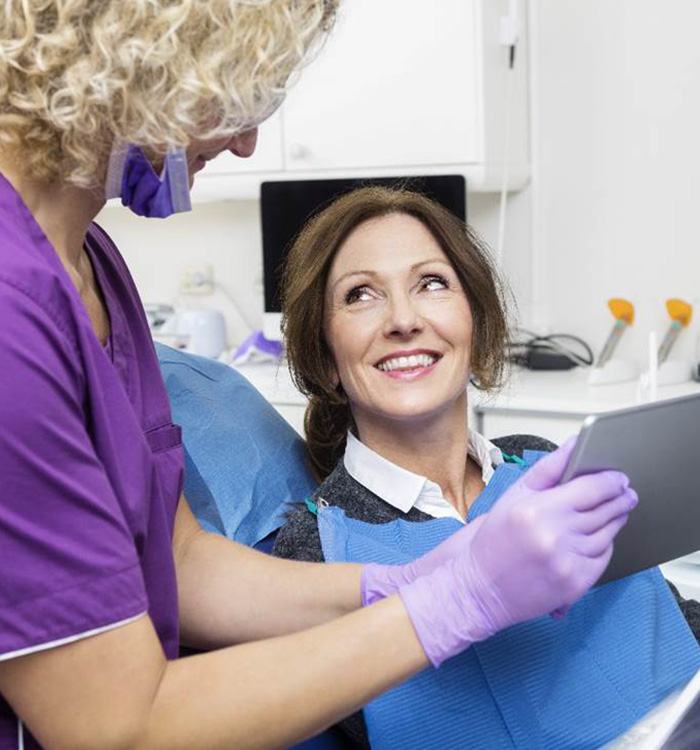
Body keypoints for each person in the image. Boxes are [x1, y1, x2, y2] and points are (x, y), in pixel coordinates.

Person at [0, 3, 637, 749]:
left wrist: (421, 574)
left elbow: (182, 564)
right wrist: (454, 602)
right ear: (148, 66)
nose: (245, 144)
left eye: (433, 283)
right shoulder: (13, 313)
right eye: (232, 98)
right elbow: (114, 728)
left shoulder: (94, 262)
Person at [273, 186, 700, 748]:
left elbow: (663, 618)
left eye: (431, 283)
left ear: (475, 330)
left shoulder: (547, 461)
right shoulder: (311, 550)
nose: (403, 319)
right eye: (360, 295)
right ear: (327, 357)